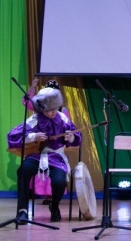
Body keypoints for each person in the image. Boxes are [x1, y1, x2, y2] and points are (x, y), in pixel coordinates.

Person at [7, 86, 81, 222]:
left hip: (56, 157)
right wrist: (33, 137)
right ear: (42, 108)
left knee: (59, 182)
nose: (53, 112)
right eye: (48, 110)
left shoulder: (62, 118)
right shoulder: (34, 119)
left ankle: (54, 205)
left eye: (55, 109)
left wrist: (71, 137)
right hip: (36, 155)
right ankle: (22, 210)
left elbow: (77, 136)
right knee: (23, 170)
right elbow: (13, 136)